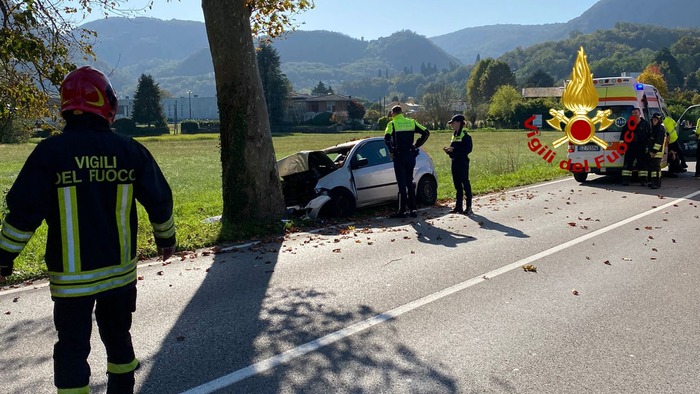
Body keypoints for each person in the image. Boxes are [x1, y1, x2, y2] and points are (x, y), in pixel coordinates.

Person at [0, 66, 176, 394]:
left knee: (71, 348)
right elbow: (160, 200)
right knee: (118, 339)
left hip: (71, 282)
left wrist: (4, 258)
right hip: (119, 276)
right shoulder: (129, 150)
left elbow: (23, 214)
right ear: (106, 103)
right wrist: (166, 239)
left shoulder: (49, 153)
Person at [384, 104, 430, 218]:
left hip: (399, 156)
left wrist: (391, 151)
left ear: (393, 113)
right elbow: (426, 132)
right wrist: (416, 145)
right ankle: (413, 209)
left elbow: (386, 138)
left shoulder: (392, 123)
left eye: (391, 113)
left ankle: (402, 211)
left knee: (402, 184)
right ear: (401, 112)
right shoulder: (411, 122)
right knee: (410, 182)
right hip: (410, 155)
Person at [443, 114, 473, 215]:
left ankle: (469, 207)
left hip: (462, 162)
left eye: (453, 123)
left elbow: (468, 149)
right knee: (457, 185)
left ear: (459, 123)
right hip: (454, 161)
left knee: (465, 183)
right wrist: (448, 151)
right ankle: (458, 207)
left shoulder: (465, 135)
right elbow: (453, 149)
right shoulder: (454, 134)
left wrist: (454, 149)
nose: (451, 125)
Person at [620, 108, 650, 186]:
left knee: (642, 164)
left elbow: (649, 136)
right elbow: (623, 136)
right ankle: (625, 180)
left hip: (641, 147)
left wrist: (648, 147)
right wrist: (622, 148)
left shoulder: (645, 124)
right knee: (627, 163)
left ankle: (643, 181)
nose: (634, 114)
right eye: (633, 113)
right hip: (630, 147)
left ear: (640, 113)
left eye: (636, 113)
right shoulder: (629, 124)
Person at [646, 113, 665, 189]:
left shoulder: (660, 129)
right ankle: (654, 182)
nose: (654, 121)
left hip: (657, 152)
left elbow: (658, 141)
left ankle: (656, 183)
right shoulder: (654, 128)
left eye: (655, 120)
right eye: (653, 120)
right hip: (652, 152)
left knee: (656, 168)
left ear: (659, 120)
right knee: (653, 169)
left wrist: (654, 151)